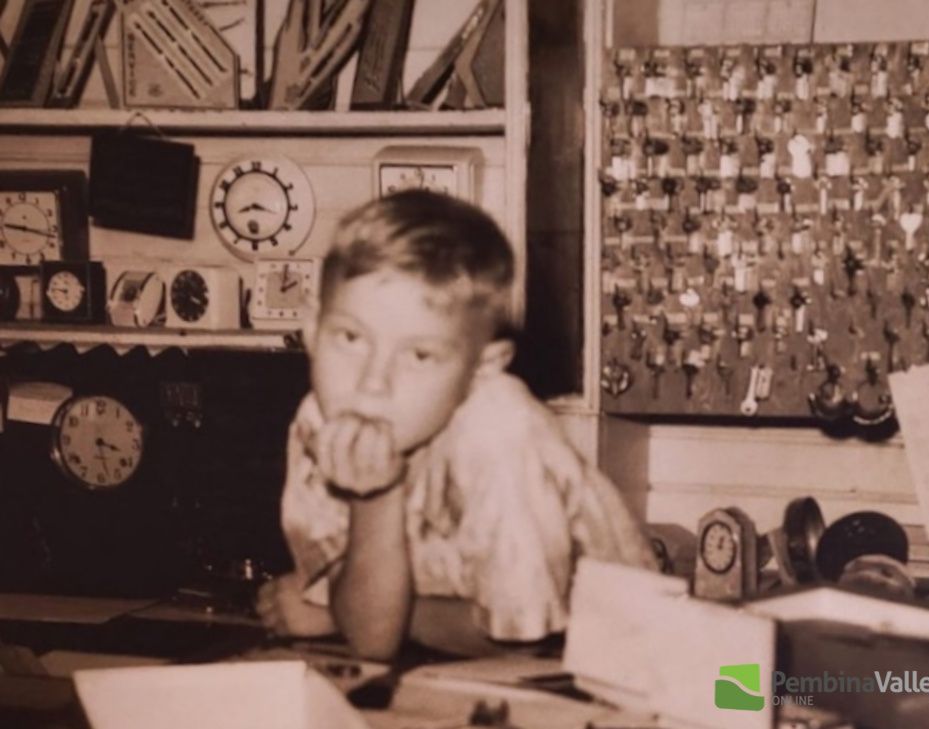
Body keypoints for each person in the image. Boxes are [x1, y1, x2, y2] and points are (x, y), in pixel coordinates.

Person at [256, 189, 656, 660]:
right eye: (350, 337)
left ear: (482, 369)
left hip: (633, 660)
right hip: (455, 668)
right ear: (312, 332)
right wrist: (378, 495)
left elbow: (528, 642)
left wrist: (335, 614)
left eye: (420, 355)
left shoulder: (499, 428)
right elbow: (371, 639)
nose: (372, 383)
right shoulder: (320, 422)